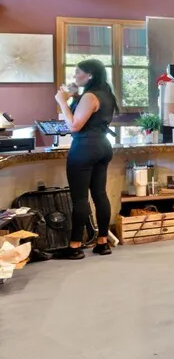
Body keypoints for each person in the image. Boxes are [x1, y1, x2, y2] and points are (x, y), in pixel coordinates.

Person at [53, 58, 116, 258]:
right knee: (100, 194)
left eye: (78, 72)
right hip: (103, 146)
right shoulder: (106, 93)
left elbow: (74, 126)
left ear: (89, 75)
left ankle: (74, 246)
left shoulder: (90, 96)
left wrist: (62, 101)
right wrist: (72, 96)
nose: (74, 76)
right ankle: (102, 242)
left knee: (80, 199)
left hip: (85, 147)